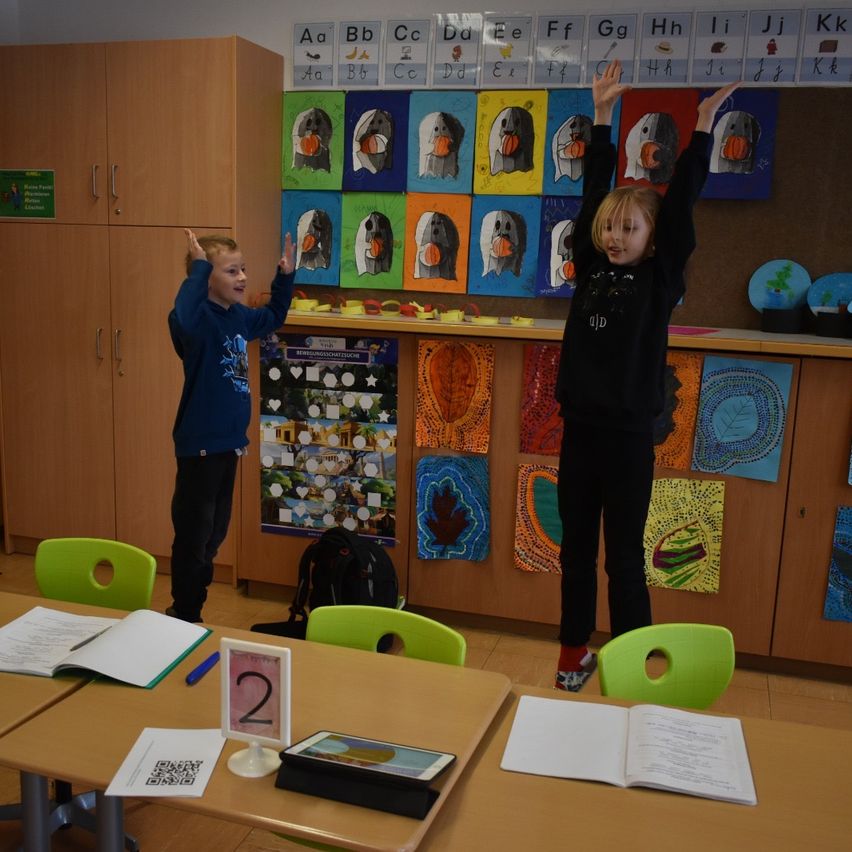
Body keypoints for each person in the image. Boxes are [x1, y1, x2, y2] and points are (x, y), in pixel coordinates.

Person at [553, 61, 739, 690]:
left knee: (624, 561)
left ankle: (630, 662)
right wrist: (602, 116)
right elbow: (590, 194)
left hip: (630, 437)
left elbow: (682, 201)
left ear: (653, 241)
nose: (614, 235)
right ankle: (572, 651)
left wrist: (704, 128)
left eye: (628, 228)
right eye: (610, 226)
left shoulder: (661, 280)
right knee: (575, 554)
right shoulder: (589, 263)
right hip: (579, 432)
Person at [167, 229, 295, 622]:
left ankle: (191, 606)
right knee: (194, 534)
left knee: (215, 532)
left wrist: (285, 278)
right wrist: (199, 267)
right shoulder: (195, 320)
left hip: (229, 445)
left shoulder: (237, 317)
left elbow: (273, 317)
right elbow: (182, 317)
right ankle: (185, 612)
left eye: (243, 269)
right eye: (231, 271)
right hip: (200, 446)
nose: (242, 278)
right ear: (206, 278)